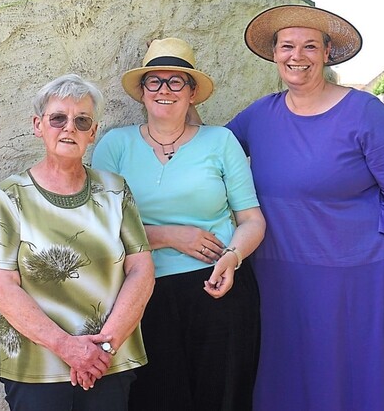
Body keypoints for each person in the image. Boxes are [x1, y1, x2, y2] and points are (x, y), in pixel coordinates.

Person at [215, 4, 384, 410]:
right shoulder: (259, 115)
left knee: (361, 388)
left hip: (360, 282)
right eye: (287, 46)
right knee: (295, 384)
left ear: (328, 53)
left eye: (310, 46)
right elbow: (210, 157)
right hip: (282, 280)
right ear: (275, 54)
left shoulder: (366, 113)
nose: (297, 56)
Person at [91, 38, 266, 410]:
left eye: (176, 82)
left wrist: (232, 258)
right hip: (143, 293)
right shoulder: (115, 146)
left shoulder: (221, 142)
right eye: (155, 81)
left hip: (218, 287)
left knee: (222, 398)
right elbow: (99, 228)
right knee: (156, 397)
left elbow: (252, 220)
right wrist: (167, 236)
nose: (165, 90)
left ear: (192, 94)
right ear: (142, 92)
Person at [0, 73, 155, 411]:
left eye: (82, 120)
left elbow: (141, 269)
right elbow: (0, 286)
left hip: (109, 361)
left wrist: (102, 350)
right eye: (58, 118)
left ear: (92, 132)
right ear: (38, 125)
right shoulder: (12, 194)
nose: (69, 128)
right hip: (37, 367)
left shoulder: (115, 189)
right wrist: (69, 348)